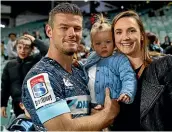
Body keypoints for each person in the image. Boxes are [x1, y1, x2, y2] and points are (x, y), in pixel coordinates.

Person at [22, 3, 119, 131]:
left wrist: (97, 115)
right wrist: (108, 114)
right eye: (64, 28)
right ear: (49, 31)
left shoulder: (81, 70)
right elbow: (63, 129)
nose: (72, 33)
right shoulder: (40, 76)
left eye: (77, 28)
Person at [110, 10, 172, 131]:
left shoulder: (164, 64)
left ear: (142, 35)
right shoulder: (110, 72)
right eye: (118, 32)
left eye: (131, 30)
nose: (125, 37)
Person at [83, 14, 137, 107]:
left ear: (114, 42)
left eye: (108, 42)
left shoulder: (120, 59)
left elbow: (128, 77)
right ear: (93, 46)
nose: (103, 46)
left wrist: (127, 92)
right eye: (98, 43)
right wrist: (77, 64)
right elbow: (84, 64)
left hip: (113, 105)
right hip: (91, 105)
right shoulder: (92, 57)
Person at [1, 34, 48, 118]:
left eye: (26, 48)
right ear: (16, 48)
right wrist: (3, 104)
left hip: (36, 102)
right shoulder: (9, 65)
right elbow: (5, 87)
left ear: (32, 49)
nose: (22, 51)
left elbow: (47, 51)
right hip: (18, 104)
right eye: (20, 47)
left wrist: (34, 40)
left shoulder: (37, 60)